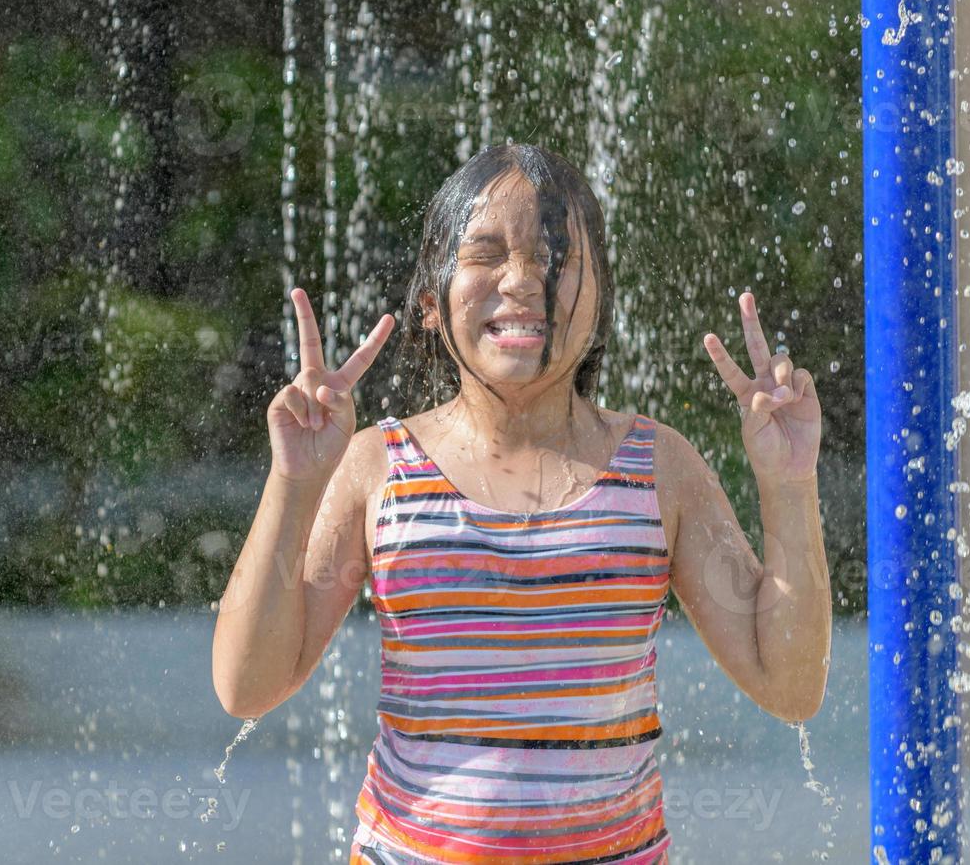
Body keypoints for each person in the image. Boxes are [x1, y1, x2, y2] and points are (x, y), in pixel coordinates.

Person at [211, 142, 831, 864]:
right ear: (429, 305)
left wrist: (789, 484)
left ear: (598, 301)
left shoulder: (659, 470)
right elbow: (247, 685)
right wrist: (294, 481)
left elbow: (788, 686)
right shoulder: (378, 469)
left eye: (555, 257)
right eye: (484, 255)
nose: (522, 280)